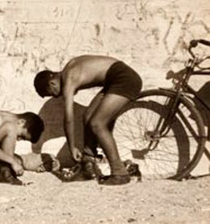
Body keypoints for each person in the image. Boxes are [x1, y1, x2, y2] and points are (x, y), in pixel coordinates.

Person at [33, 55, 142, 185]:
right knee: (88, 116)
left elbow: (68, 118)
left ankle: (120, 173)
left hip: (125, 79)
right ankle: (88, 163)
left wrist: (71, 146)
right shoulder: (70, 67)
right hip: (115, 79)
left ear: (52, 83)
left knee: (97, 124)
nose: (57, 96)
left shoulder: (69, 79)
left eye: (52, 93)